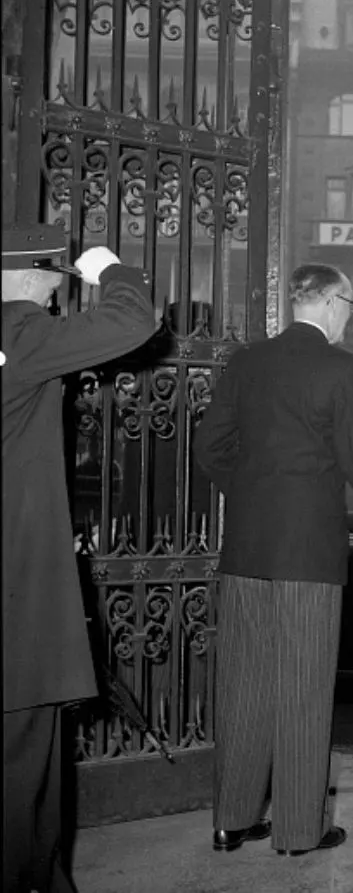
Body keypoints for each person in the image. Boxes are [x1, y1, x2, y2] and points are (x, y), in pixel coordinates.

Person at [194, 263, 353, 857]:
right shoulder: (343, 368)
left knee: (245, 687)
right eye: (351, 306)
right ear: (332, 303)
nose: (348, 317)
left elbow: (210, 448)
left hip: (249, 548)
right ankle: (299, 832)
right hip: (309, 551)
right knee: (304, 688)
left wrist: (258, 491)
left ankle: (232, 821)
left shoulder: (246, 362)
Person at [2, 224, 157, 893]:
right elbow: (135, 318)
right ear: (38, 277)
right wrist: (112, 269)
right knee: (21, 758)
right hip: (17, 588)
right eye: (57, 282)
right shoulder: (21, 332)